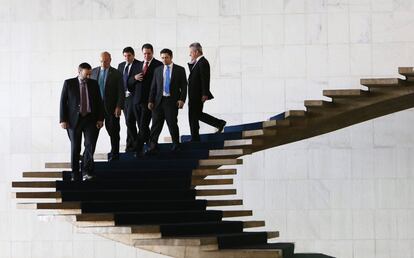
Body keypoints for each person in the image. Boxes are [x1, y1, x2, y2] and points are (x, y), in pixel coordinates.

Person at [59, 62, 104, 181]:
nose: (89, 77)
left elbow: (99, 102)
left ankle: (87, 172)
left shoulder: (94, 84)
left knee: (90, 146)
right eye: (86, 74)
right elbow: (63, 102)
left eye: (90, 74)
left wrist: (100, 119)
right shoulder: (69, 83)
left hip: (90, 119)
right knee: (75, 147)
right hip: (74, 121)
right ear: (79, 72)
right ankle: (75, 173)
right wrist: (63, 119)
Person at [147, 48, 187, 153]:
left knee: (172, 123)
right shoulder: (158, 70)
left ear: (171, 57)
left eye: (166, 57)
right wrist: (150, 101)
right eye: (162, 58)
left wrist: (182, 99)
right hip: (158, 102)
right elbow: (153, 87)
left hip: (171, 101)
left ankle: (176, 144)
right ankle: (153, 145)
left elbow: (184, 87)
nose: (164, 60)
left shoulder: (180, 69)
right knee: (155, 125)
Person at [187, 42, 226, 142]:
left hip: (198, 94)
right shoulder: (197, 62)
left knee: (194, 115)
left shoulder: (203, 62)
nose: (190, 54)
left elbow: (205, 79)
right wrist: (191, 63)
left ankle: (196, 137)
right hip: (194, 94)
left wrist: (205, 93)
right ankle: (217, 124)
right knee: (196, 115)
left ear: (196, 52)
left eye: (191, 52)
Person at [129, 43, 163, 156]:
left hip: (149, 101)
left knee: (143, 126)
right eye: (144, 54)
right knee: (142, 127)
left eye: (149, 53)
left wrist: (152, 100)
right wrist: (134, 78)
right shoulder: (137, 65)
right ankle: (152, 145)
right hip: (136, 101)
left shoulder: (158, 65)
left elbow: (158, 85)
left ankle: (137, 148)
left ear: (152, 53)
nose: (146, 56)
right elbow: (128, 83)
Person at [91, 52, 124, 161]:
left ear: (110, 60)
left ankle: (115, 155)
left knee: (114, 132)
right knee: (92, 134)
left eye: (105, 61)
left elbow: (121, 91)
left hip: (111, 108)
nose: (103, 63)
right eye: (101, 61)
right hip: (95, 109)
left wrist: (119, 106)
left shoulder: (116, 73)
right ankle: (89, 155)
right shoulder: (93, 72)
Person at [117, 47, 140, 152]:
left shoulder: (139, 65)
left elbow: (138, 80)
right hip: (124, 98)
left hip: (134, 97)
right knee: (128, 122)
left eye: (129, 55)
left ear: (133, 55)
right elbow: (119, 82)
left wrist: (134, 79)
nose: (127, 58)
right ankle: (131, 144)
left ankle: (135, 144)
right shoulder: (121, 66)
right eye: (125, 56)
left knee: (132, 122)